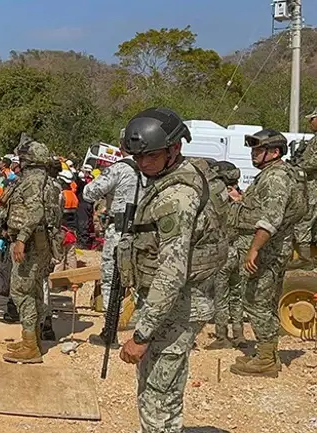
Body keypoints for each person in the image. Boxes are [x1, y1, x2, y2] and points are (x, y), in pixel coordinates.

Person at [117, 107, 225, 432]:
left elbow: (171, 273)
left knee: (157, 399)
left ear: (174, 149)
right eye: (138, 157)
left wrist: (142, 335)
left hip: (176, 307)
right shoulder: (173, 176)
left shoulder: (177, 197)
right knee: (158, 390)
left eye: (150, 156)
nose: (143, 163)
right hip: (173, 304)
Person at [229, 129, 307, 378]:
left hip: (267, 251)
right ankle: (268, 354)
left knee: (256, 302)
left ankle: (265, 360)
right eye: (253, 149)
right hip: (270, 249)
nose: (254, 154)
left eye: (259, 150)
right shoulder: (273, 174)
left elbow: (271, 219)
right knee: (266, 302)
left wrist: (254, 249)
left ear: (274, 152)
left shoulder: (275, 178)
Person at [0, 134, 58, 364]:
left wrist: (21, 239)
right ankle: (32, 339)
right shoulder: (47, 181)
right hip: (41, 244)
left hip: (31, 245)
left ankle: (30, 346)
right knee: (33, 291)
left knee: (21, 291)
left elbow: (36, 213)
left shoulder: (32, 181)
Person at [82, 147, 140, 348]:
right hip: (144, 231)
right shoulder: (152, 168)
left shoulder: (120, 168)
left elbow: (89, 192)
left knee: (111, 278)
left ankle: (110, 330)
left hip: (120, 230)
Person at [203, 160, 247, 350]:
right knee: (237, 295)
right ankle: (239, 334)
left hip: (224, 254)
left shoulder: (217, 199)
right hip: (241, 252)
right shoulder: (242, 198)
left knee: (221, 297)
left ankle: (222, 336)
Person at [290, 108, 317, 269]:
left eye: (312, 119)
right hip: (311, 185)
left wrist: (297, 167)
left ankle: (305, 258)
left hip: (313, 188)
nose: (310, 122)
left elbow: (313, 162)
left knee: (304, 220)